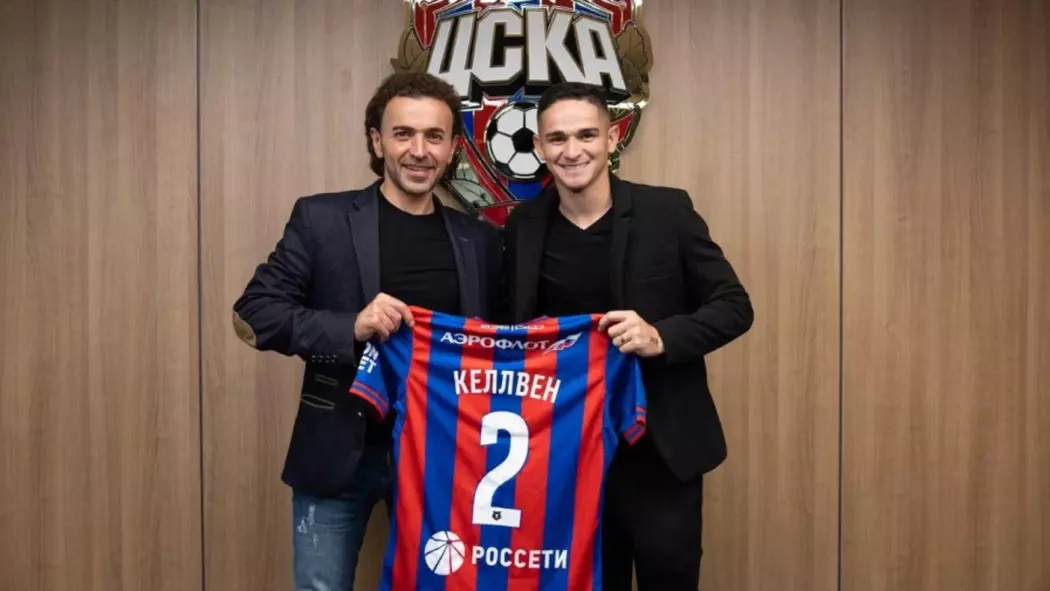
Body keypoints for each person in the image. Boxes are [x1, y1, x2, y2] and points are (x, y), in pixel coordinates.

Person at [231, 71, 502, 590]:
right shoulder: (322, 219)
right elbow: (254, 313)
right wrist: (350, 326)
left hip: (444, 458)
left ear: (452, 149)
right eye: (403, 134)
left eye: (434, 136)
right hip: (338, 453)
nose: (419, 150)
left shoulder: (480, 240)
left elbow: (502, 343)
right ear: (377, 142)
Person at [501, 82, 754, 590]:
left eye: (586, 135)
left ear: (612, 138)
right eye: (557, 139)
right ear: (540, 147)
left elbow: (734, 306)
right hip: (566, 452)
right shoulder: (522, 224)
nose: (572, 151)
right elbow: (503, 328)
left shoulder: (667, 211)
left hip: (660, 449)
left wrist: (660, 336)